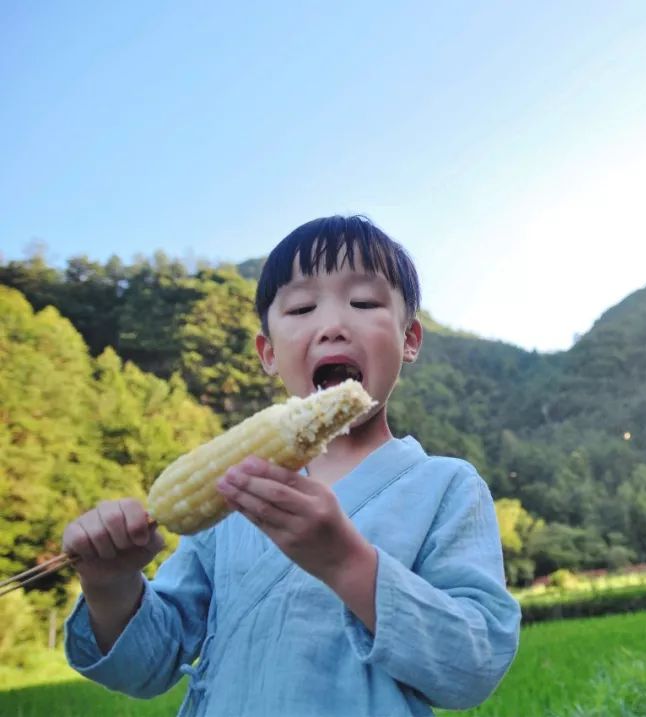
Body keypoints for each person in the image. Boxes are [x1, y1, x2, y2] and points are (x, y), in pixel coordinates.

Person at [63, 215, 521, 716]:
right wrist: (110, 585)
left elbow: (473, 666)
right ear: (268, 353)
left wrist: (347, 562)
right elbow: (150, 665)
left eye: (364, 303)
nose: (332, 326)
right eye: (302, 308)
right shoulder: (230, 493)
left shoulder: (446, 486)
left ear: (409, 338)